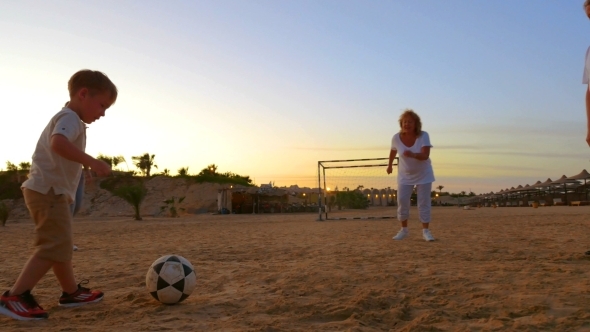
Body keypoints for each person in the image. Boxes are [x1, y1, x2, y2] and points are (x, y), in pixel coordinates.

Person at [0, 70, 117, 320]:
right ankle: (15, 296)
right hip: (47, 192)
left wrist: (78, 172)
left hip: (49, 191)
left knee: (60, 245)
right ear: (83, 94)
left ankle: (70, 292)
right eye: (102, 105)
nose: (103, 113)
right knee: (53, 245)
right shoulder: (70, 117)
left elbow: (60, 155)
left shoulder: (71, 119)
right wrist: (93, 162)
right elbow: (58, 144)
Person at [386, 109, 436, 242]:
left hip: (423, 174)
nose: (407, 124)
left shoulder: (423, 136)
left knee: (423, 202)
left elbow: (425, 155)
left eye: (410, 122)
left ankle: (426, 231)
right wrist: (389, 165)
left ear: (416, 124)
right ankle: (404, 230)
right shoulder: (396, 138)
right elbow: (392, 151)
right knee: (402, 200)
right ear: (401, 123)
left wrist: (413, 154)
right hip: (405, 175)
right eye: (404, 122)